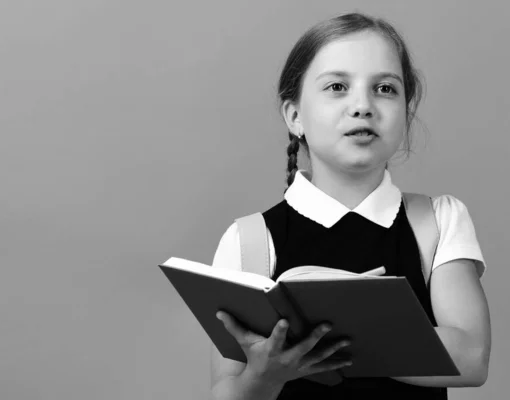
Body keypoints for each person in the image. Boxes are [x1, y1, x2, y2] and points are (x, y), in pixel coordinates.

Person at [209, 11, 491, 400]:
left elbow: (471, 357)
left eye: (385, 89)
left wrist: (331, 332)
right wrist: (268, 374)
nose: (362, 106)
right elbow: (226, 390)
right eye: (338, 86)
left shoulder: (439, 221)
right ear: (294, 116)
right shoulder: (247, 241)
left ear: (406, 114)